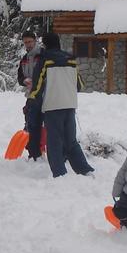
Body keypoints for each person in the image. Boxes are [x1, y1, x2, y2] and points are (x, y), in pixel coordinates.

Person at [28, 32, 93, 178]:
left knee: (54, 141)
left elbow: (37, 86)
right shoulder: (71, 59)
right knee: (71, 141)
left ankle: (60, 174)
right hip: (70, 104)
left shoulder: (45, 60)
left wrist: (32, 100)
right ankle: (85, 170)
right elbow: (79, 85)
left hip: (53, 105)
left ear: (45, 44)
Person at [17, 30, 44, 160]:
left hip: (44, 95)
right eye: (25, 42)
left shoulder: (43, 55)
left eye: (29, 42)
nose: (27, 44)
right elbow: (19, 76)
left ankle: (46, 151)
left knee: (46, 125)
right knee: (30, 124)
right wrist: (24, 80)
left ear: (35, 40)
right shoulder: (24, 59)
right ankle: (34, 153)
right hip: (30, 96)